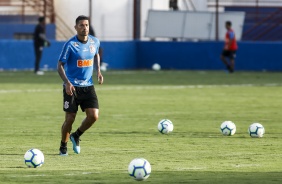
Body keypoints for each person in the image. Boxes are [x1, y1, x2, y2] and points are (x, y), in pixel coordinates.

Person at [57, 15, 103, 156]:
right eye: (81, 25)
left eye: (87, 25)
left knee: (94, 116)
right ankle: (63, 145)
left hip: (88, 86)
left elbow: (96, 55)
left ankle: (76, 135)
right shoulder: (70, 44)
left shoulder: (95, 42)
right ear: (76, 27)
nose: (85, 28)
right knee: (70, 118)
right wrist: (67, 83)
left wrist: (98, 71)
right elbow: (59, 65)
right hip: (72, 87)